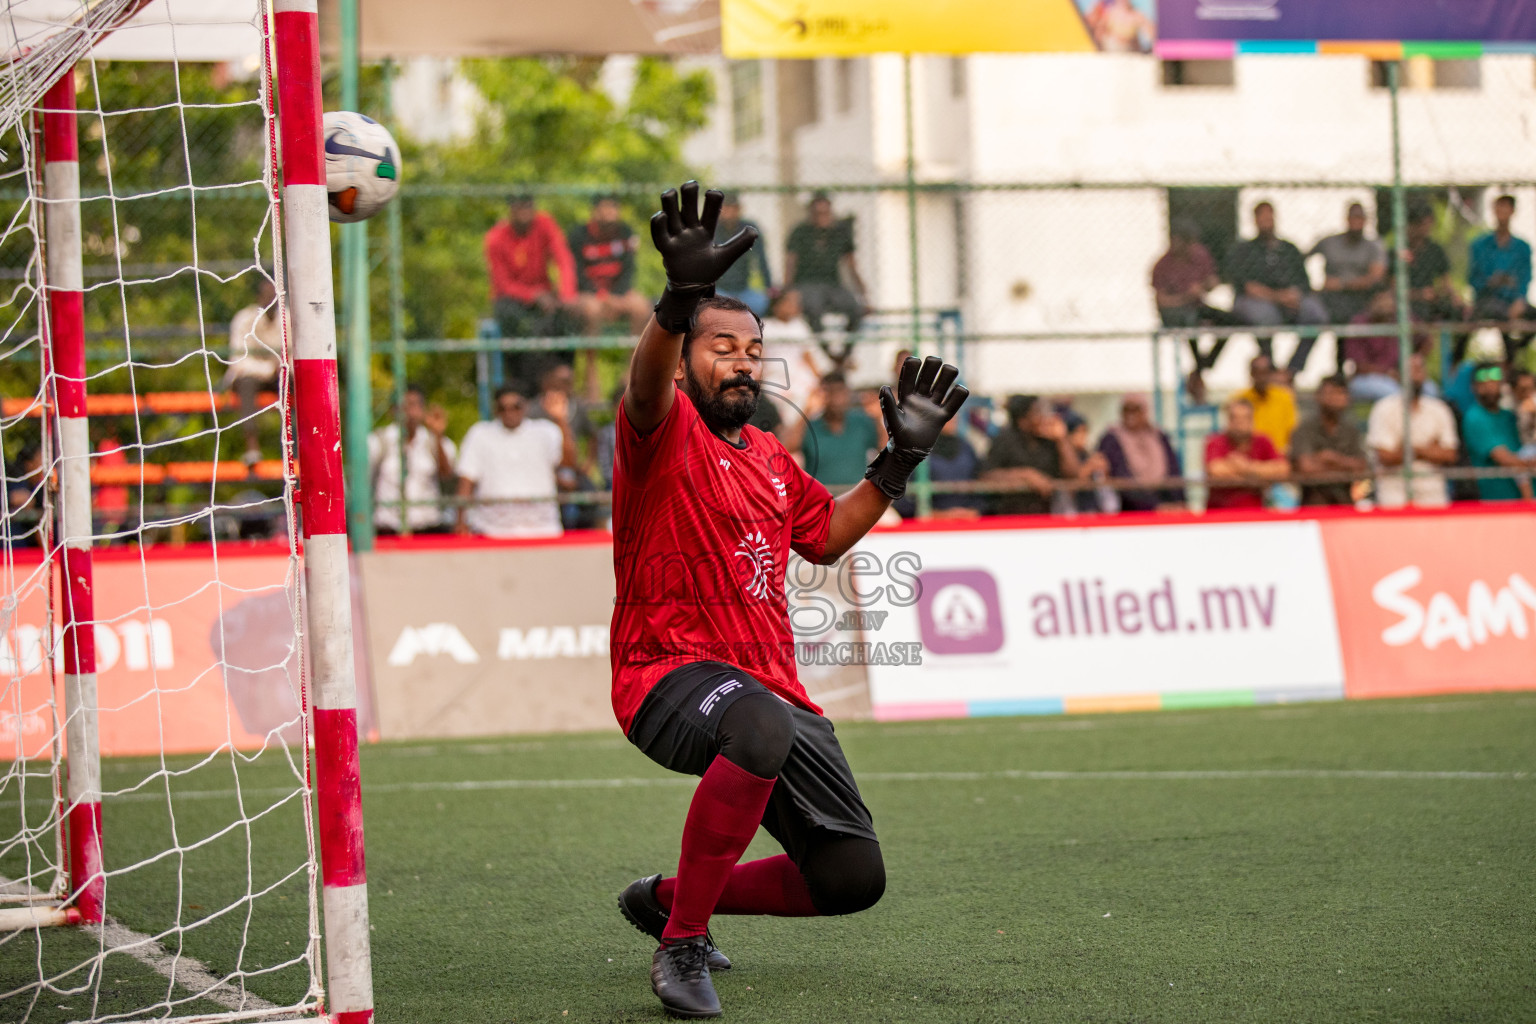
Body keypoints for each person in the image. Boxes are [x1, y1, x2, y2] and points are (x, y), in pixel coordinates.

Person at [609, 182, 966, 1019]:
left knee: (849, 878)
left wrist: (896, 464)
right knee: (760, 722)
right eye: (719, 344)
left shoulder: (770, 454)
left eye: (751, 348)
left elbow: (829, 535)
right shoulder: (660, 433)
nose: (739, 359)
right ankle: (682, 944)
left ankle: (665, 897)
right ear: (688, 355)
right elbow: (646, 380)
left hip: (771, 691)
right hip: (665, 673)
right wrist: (676, 300)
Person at [454, 384, 574, 538]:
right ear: (495, 410)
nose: (509, 413)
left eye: (516, 407)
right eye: (503, 408)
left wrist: (561, 420)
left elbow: (569, 463)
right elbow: (466, 479)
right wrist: (460, 521)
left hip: (542, 529)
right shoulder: (480, 434)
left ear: (526, 406)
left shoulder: (545, 431)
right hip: (493, 531)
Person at [1226, 201, 1328, 375]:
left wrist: (1293, 295)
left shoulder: (1289, 248)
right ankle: (1269, 368)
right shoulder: (1244, 249)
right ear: (1255, 220)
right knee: (1265, 316)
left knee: (1316, 314)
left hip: (1289, 300)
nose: (1266, 220)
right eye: (1262, 217)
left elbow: (1304, 283)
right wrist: (1277, 297)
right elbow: (1249, 287)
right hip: (1257, 301)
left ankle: (1291, 371)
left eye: (1269, 216)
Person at [1366, 353, 1460, 509]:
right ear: (1397, 375)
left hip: (1432, 493)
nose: (1416, 374)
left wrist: (1406, 448)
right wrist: (1428, 449)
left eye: (1420, 368)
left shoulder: (1439, 409)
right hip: (1393, 494)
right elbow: (1385, 456)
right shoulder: (1383, 409)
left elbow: (1450, 454)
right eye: (1411, 369)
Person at [1152, 218, 1234, 396]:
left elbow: (1213, 281)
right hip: (1175, 312)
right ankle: (1199, 372)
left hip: (1197, 306)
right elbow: (1161, 302)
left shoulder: (1200, 255)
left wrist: (1204, 286)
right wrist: (1185, 297)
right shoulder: (1163, 265)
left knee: (1230, 320)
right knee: (1191, 321)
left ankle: (1201, 368)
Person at [484, 193, 578, 344]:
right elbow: (503, 284)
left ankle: (564, 365)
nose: (524, 212)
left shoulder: (545, 224)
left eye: (528, 206)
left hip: (544, 295)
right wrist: (533, 296)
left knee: (567, 317)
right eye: (519, 207)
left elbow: (564, 260)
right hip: (513, 300)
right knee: (515, 320)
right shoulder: (496, 238)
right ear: (511, 209)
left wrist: (567, 294)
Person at [368, 386, 457, 536]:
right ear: (393, 410)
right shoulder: (378, 441)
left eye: (415, 405)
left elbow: (447, 477)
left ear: (423, 410)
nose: (410, 412)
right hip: (387, 530)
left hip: (428, 529)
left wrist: (438, 436)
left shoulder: (435, 442)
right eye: (405, 405)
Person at [980, 394, 1080, 516]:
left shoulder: (1049, 442)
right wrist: (1025, 475)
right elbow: (987, 475)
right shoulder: (1004, 440)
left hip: (1044, 516)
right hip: (1009, 517)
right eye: (1037, 412)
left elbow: (1073, 474)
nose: (1043, 417)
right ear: (1023, 421)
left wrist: (1062, 440)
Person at [780, 371, 882, 491]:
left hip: (856, 497)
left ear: (847, 393)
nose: (836, 398)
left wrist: (878, 418)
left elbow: (885, 449)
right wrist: (806, 411)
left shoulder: (862, 422)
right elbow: (785, 448)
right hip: (821, 499)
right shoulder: (810, 426)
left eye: (840, 391)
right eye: (831, 392)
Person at [570, 195, 653, 337]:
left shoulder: (626, 232)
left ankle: (635, 358)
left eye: (614, 207)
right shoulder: (579, 235)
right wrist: (602, 296)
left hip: (618, 293)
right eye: (606, 206)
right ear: (595, 210)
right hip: (589, 293)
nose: (610, 211)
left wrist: (616, 296)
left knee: (642, 307)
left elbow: (628, 269)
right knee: (592, 309)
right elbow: (575, 272)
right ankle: (591, 359)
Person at [784, 192, 867, 334]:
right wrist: (788, 290)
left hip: (833, 284)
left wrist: (863, 293)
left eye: (825, 213)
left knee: (855, 308)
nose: (821, 217)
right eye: (817, 213)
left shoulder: (840, 232)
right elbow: (790, 263)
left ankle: (844, 349)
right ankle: (824, 349)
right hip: (807, 283)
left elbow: (851, 264)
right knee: (814, 308)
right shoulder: (800, 231)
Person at [1392, 203, 1467, 356]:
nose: (1426, 229)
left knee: (1462, 313)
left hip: (1430, 302)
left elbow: (1446, 283)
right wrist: (1419, 294)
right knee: (1411, 320)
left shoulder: (1434, 250)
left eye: (1428, 223)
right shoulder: (1399, 250)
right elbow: (1393, 289)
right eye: (1422, 224)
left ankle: (1455, 358)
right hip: (1407, 302)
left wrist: (1453, 297)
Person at [1468, 194, 1532, 364]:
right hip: (1487, 300)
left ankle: (1514, 352)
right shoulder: (1480, 245)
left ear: (1512, 212)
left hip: (1512, 301)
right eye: (1499, 207)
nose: (1502, 212)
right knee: (1494, 312)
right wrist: (1491, 282)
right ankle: (1507, 360)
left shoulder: (1522, 247)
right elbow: (1473, 279)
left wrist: (1519, 299)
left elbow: (1526, 277)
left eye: (1506, 208)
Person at [225, 275, 283, 464]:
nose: (270, 301)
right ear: (258, 298)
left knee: (301, 384)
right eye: (266, 296)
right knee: (246, 384)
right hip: (250, 377)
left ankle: (301, 445)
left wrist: (281, 368)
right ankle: (252, 448)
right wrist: (268, 369)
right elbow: (238, 362)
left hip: (279, 377)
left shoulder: (287, 319)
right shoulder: (244, 319)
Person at [1097, 393, 1184, 513]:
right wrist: (1153, 507)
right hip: (1132, 509)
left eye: (1136, 409)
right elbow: (1122, 479)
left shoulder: (1159, 436)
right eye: (1127, 409)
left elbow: (1173, 473)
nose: (1131, 414)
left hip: (1166, 505)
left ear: (1145, 411)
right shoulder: (1112, 438)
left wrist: (1178, 503)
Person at [1290, 375, 1369, 507]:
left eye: (1340, 394)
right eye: (1331, 393)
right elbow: (1305, 467)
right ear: (1318, 396)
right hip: (1313, 503)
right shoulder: (1305, 428)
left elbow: (1361, 465)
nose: (1335, 399)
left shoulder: (1350, 430)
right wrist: (1345, 466)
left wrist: (1331, 458)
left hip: (1344, 502)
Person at [1461, 363, 1535, 501]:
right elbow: (1505, 459)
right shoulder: (1475, 417)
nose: (1490, 386)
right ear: (1474, 387)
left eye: (1494, 381)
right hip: (1499, 502)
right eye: (1483, 382)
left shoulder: (1510, 416)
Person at [1204, 397, 1289, 510]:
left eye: (1244, 418)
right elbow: (1216, 471)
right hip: (1221, 513)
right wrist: (1259, 478)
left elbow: (1282, 469)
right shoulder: (1215, 442)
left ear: (1252, 419)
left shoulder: (1263, 441)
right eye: (1234, 418)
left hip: (1257, 514)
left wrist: (1245, 466)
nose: (1239, 423)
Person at [1311, 202, 1387, 325]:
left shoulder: (1374, 245)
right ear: (1347, 219)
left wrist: (1342, 284)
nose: (1356, 222)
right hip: (1330, 298)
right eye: (1353, 218)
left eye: (1360, 218)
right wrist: (1313, 286)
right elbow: (1300, 259)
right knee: (1313, 314)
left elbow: (1375, 277)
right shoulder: (1330, 242)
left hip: (1362, 297)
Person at [894, 416, 983, 519]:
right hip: (929, 523)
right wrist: (936, 514)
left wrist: (974, 510)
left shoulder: (966, 448)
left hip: (967, 519)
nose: (952, 419)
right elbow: (904, 496)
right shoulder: (916, 449)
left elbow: (978, 481)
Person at [712, 194, 773, 316]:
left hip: (743, 289)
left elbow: (761, 258)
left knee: (761, 302)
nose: (728, 213)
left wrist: (768, 285)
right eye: (724, 209)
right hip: (718, 289)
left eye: (731, 208)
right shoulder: (712, 229)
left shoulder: (748, 228)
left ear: (738, 209)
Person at [1236, 355, 1298, 456]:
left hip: (1280, 455)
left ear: (1270, 374)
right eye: (1257, 373)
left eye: (1264, 373)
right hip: (1249, 456)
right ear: (1251, 374)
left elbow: (1292, 430)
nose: (1261, 378)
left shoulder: (1284, 397)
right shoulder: (1239, 398)